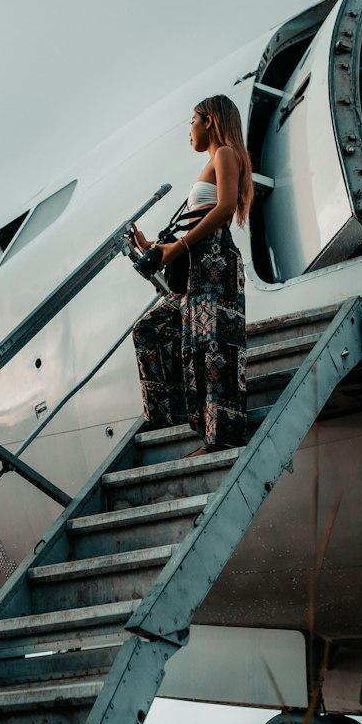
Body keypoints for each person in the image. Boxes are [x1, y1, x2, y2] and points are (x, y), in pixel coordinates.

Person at [130, 94, 254, 456]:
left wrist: (179, 247)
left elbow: (225, 208)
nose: (190, 130)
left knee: (213, 349)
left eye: (192, 121)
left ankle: (221, 438)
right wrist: (152, 245)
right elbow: (198, 218)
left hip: (213, 260)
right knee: (151, 331)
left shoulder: (225, 155)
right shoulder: (214, 162)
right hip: (195, 263)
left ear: (210, 120)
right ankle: (170, 419)